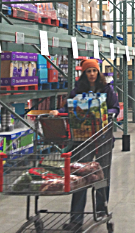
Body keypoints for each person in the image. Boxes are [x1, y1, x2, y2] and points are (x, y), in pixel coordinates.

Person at [49, 59, 120, 232]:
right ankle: (76, 219)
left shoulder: (107, 89)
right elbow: (68, 107)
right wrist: (59, 112)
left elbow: (115, 108)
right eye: (88, 71)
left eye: (94, 71)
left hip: (103, 137)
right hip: (82, 139)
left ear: (98, 72)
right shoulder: (77, 90)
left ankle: (101, 211)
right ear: (84, 73)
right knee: (79, 177)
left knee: (102, 175)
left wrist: (105, 112)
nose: (92, 74)